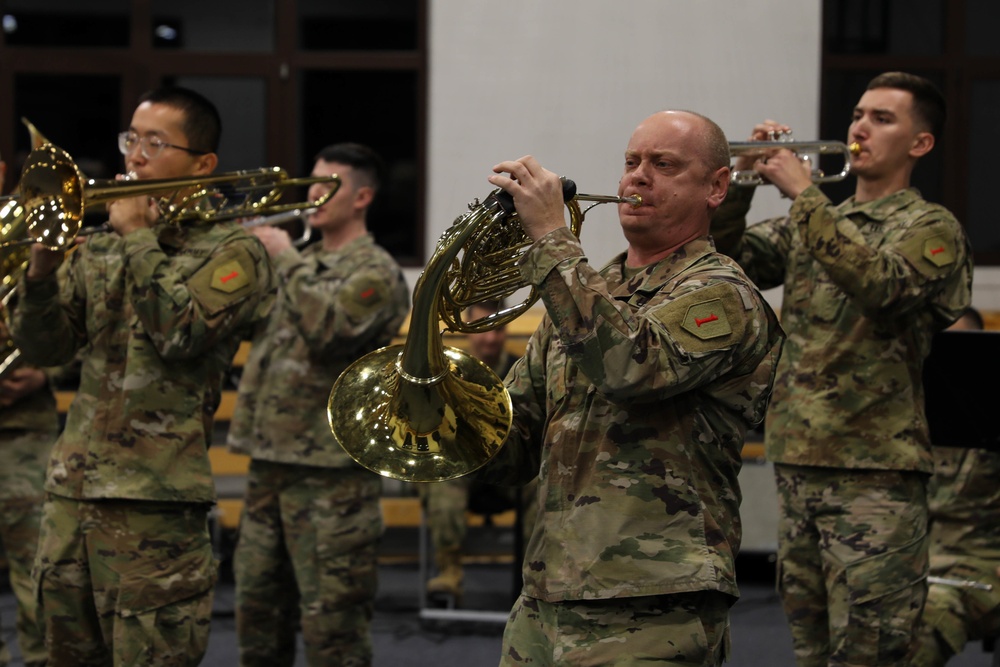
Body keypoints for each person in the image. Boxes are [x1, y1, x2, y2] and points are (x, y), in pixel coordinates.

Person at [479, 109, 785, 665]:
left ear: (717, 187)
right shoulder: (584, 295)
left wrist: (551, 237)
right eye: (631, 162)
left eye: (663, 164)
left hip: (653, 601)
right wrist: (443, 416)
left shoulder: (723, 294)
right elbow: (516, 443)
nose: (636, 178)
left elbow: (629, 366)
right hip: (549, 594)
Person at [710, 71, 974, 666]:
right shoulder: (816, 223)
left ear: (920, 144)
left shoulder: (930, 228)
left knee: (873, 651)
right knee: (811, 649)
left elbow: (882, 287)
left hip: (875, 470)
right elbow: (729, 264)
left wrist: (805, 195)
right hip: (799, 457)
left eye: (882, 119)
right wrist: (746, 180)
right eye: (858, 114)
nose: (859, 127)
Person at [10, 85, 277, 666]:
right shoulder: (100, 248)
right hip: (69, 494)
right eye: (132, 138)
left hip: (153, 503)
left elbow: (180, 332)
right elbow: (46, 348)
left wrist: (137, 237)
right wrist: (40, 271)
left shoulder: (235, 252)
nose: (135, 156)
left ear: (202, 164)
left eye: (156, 143)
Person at [227, 142, 409, 666]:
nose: (312, 197)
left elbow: (329, 328)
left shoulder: (374, 271)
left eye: (328, 187)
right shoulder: (298, 262)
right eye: (311, 185)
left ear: (362, 197)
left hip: (330, 476)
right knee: (257, 615)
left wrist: (283, 259)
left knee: (333, 626)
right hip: (270, 462)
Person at [419, 299, 535, 605]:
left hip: (515, 474)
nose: (490, 337)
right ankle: (449, 575)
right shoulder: (448, 375)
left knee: (545, 483)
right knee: (441, 479)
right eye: (483, 329)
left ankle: (534, 578)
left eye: (498, 329)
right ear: (468, 331)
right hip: (463, 473)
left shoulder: (522, 372)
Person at [912, 306, 1000, 665]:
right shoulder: (909, 419)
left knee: (915, 635)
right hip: (908, 563)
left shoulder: (991, 417)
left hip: (979, 566)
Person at [0, 158, 57, 667]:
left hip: (23, 435)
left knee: (38, 577)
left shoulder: (35, 240)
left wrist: (46, 373)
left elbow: (83, 321)